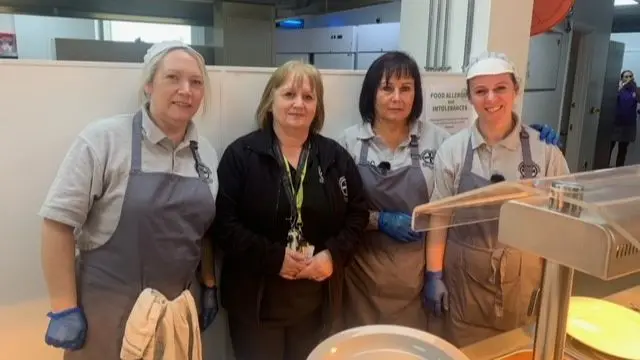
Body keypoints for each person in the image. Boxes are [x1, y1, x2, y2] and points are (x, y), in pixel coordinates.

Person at [338, 51, 560, 331]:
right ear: (371, 93)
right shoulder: (348, 143)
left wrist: (531, 135)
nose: (397, 97)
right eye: (387, 88)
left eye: (406, 88)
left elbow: (444, 210)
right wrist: (379, 220)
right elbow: (337, 210)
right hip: (364, 273)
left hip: (418, 272)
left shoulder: (439, 140)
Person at [39, 41, 220, 359]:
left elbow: (203, 232)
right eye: (173, 78)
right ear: (149, 84)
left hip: (175, 313)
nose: (185, 90)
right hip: (110, 313)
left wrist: (208, 283)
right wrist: (64, 308)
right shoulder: (104, 140)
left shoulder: (205, 152)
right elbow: (57, 224)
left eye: (195, 82)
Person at [212, 60, 369, 360]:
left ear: (317, 107)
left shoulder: (335, 157)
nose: (299, 104)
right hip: (256, 305)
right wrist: (273, 258)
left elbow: (358, 215)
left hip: (315, 303)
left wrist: (333, 256)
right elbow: (223, 225)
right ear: (271, 100)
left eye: (308, 97)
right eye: (289, 95)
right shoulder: (240, 156)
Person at [424, 52, 570, 347]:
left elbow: (564, 223)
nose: (491, 98)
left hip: (524, 282)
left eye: (501, 87)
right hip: (464, 282)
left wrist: (555, 287)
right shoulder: (452, 151)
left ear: (516, 91)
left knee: (516, 350)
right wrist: (434, 274)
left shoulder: (546, 152)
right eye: (480, 91)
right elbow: (440, 218)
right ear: (470, 98)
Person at [610, 70, 639, 167]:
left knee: (622, 150)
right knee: (608, 148)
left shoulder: (636, 90)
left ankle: (618, 171)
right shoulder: (618, 89)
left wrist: (635, 88)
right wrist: (619, 88)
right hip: (615, 124)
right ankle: (603, 168)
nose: (628, 78)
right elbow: (610, 100)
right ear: (621, 78)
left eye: (630, 76)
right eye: (625, 76)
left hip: (628, 126)